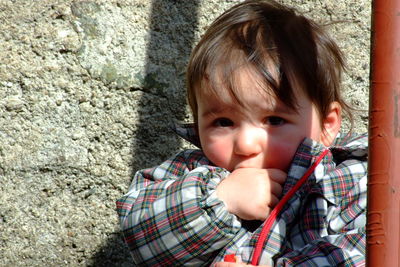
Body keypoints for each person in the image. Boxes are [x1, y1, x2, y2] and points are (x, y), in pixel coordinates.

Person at [116, 0, 368, 266]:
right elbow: (141, 236)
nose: (246, 145)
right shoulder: (187, 173)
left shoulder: (348, 182)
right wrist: (219, 200)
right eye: (223, 122)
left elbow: (359, 252)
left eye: (274, 120)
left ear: (327, 125)